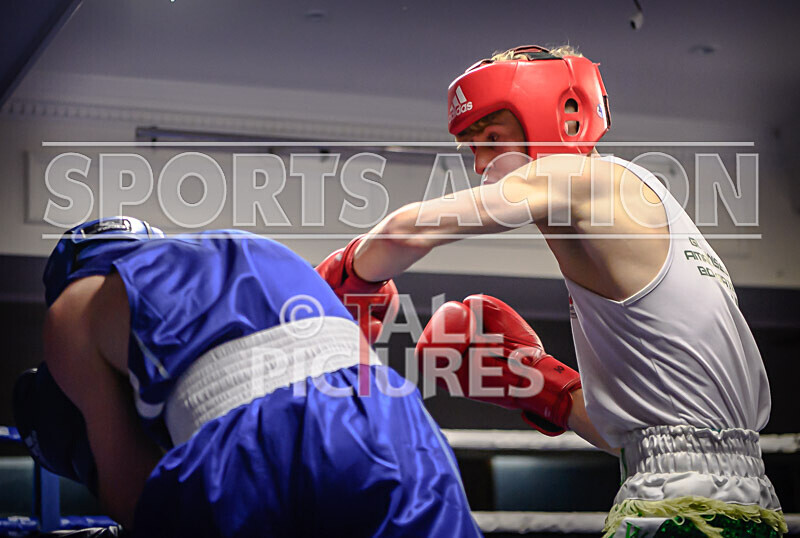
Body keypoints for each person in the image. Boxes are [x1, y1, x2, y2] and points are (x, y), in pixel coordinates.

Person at [314, 45, 787, 537]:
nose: (482, 167)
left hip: (676, 510)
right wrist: (545, 389)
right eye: (473, 149)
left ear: (561, 119)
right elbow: (652, 440)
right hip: (742, 506)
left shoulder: (584, 179)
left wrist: (345, 281)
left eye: (493, 139)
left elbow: (409, 231)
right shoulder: (646, 216)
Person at [13, 216, 482, 537]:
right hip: (393, 417)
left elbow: (128, 488)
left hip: (252, 440)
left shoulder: (70, 310)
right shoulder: (250, 245)